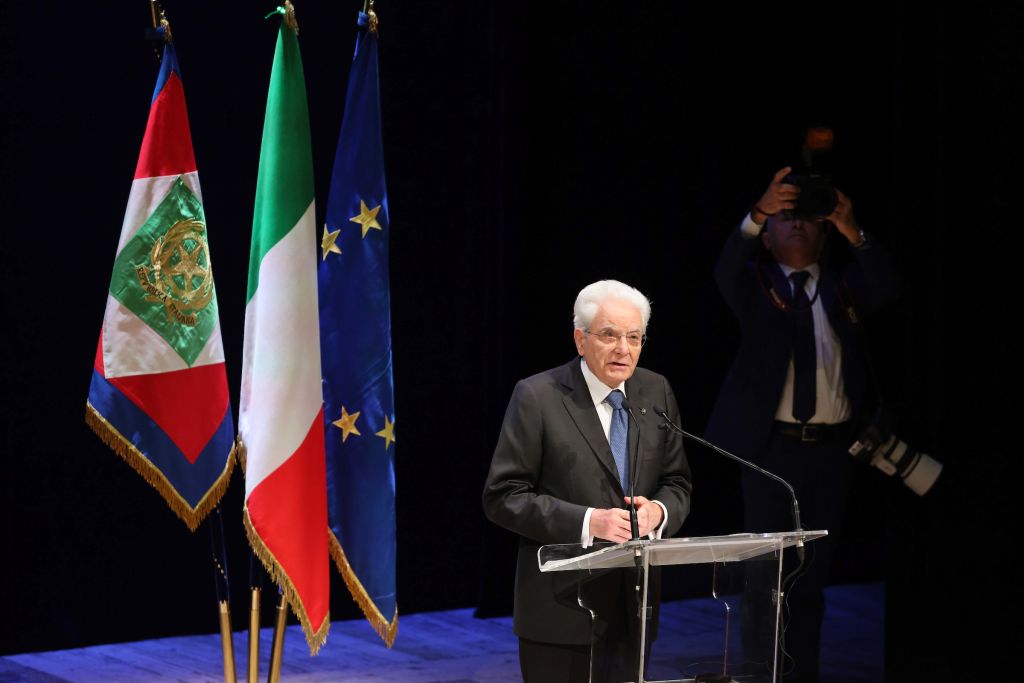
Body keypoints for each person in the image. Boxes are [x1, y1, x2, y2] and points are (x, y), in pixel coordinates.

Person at [705, 167, 900, 682]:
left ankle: (802, 674)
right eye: (784, 219)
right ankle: (759, 674)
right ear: (768, 238)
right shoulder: (756, 284)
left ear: (824, 231)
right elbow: (726, 266)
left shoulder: (842, 287)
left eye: (807, 218)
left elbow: (887, 285)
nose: (796, 225)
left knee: (813, 578)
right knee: (764, 577)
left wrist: (852, 227)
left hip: (832, 452)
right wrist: (759, 211)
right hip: (771, 450)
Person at [483, 279, 692, 683]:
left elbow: (676, 482)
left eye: (634, 337)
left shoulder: (656, 391)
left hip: (634, 606)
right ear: (581, 339)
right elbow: (503, 496)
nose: (623, 349)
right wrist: (589, 522)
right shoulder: (537, 396)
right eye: (609, 335)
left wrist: (658, 512)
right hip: (560, 608)